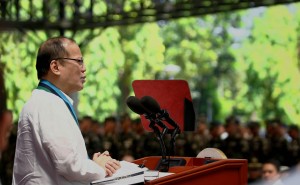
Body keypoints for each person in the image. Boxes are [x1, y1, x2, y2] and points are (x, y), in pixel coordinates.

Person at [12, 36, 120, 185]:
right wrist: (98, 167)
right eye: (79, 61)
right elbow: (69, 165)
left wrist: (90, 163)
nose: (84, 68)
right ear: (55, 67)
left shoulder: (48, 101)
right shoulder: (48, 104)